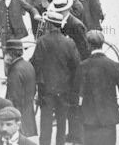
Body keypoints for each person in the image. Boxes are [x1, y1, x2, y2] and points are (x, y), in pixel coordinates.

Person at [30, 11, 80, 145]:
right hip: (64, 90)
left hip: (46, 89)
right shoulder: (69, 42)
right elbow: (76, 66)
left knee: (45, 123)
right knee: (62, 122)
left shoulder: (42, 42)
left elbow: (35, 64)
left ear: (49, 25)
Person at [77, 30, 119, 145]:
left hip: (89, 121)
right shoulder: (114, 65)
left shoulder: (83, 66)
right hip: (109, 120)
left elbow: (78, 95)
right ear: (102, 44)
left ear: (89, 46)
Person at [3, 39, 36, 138]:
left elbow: (13, 98)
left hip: (18, 115)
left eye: (6, 53)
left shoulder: (15, 70)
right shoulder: (27, 65)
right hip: (28, 110)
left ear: (11, 54)